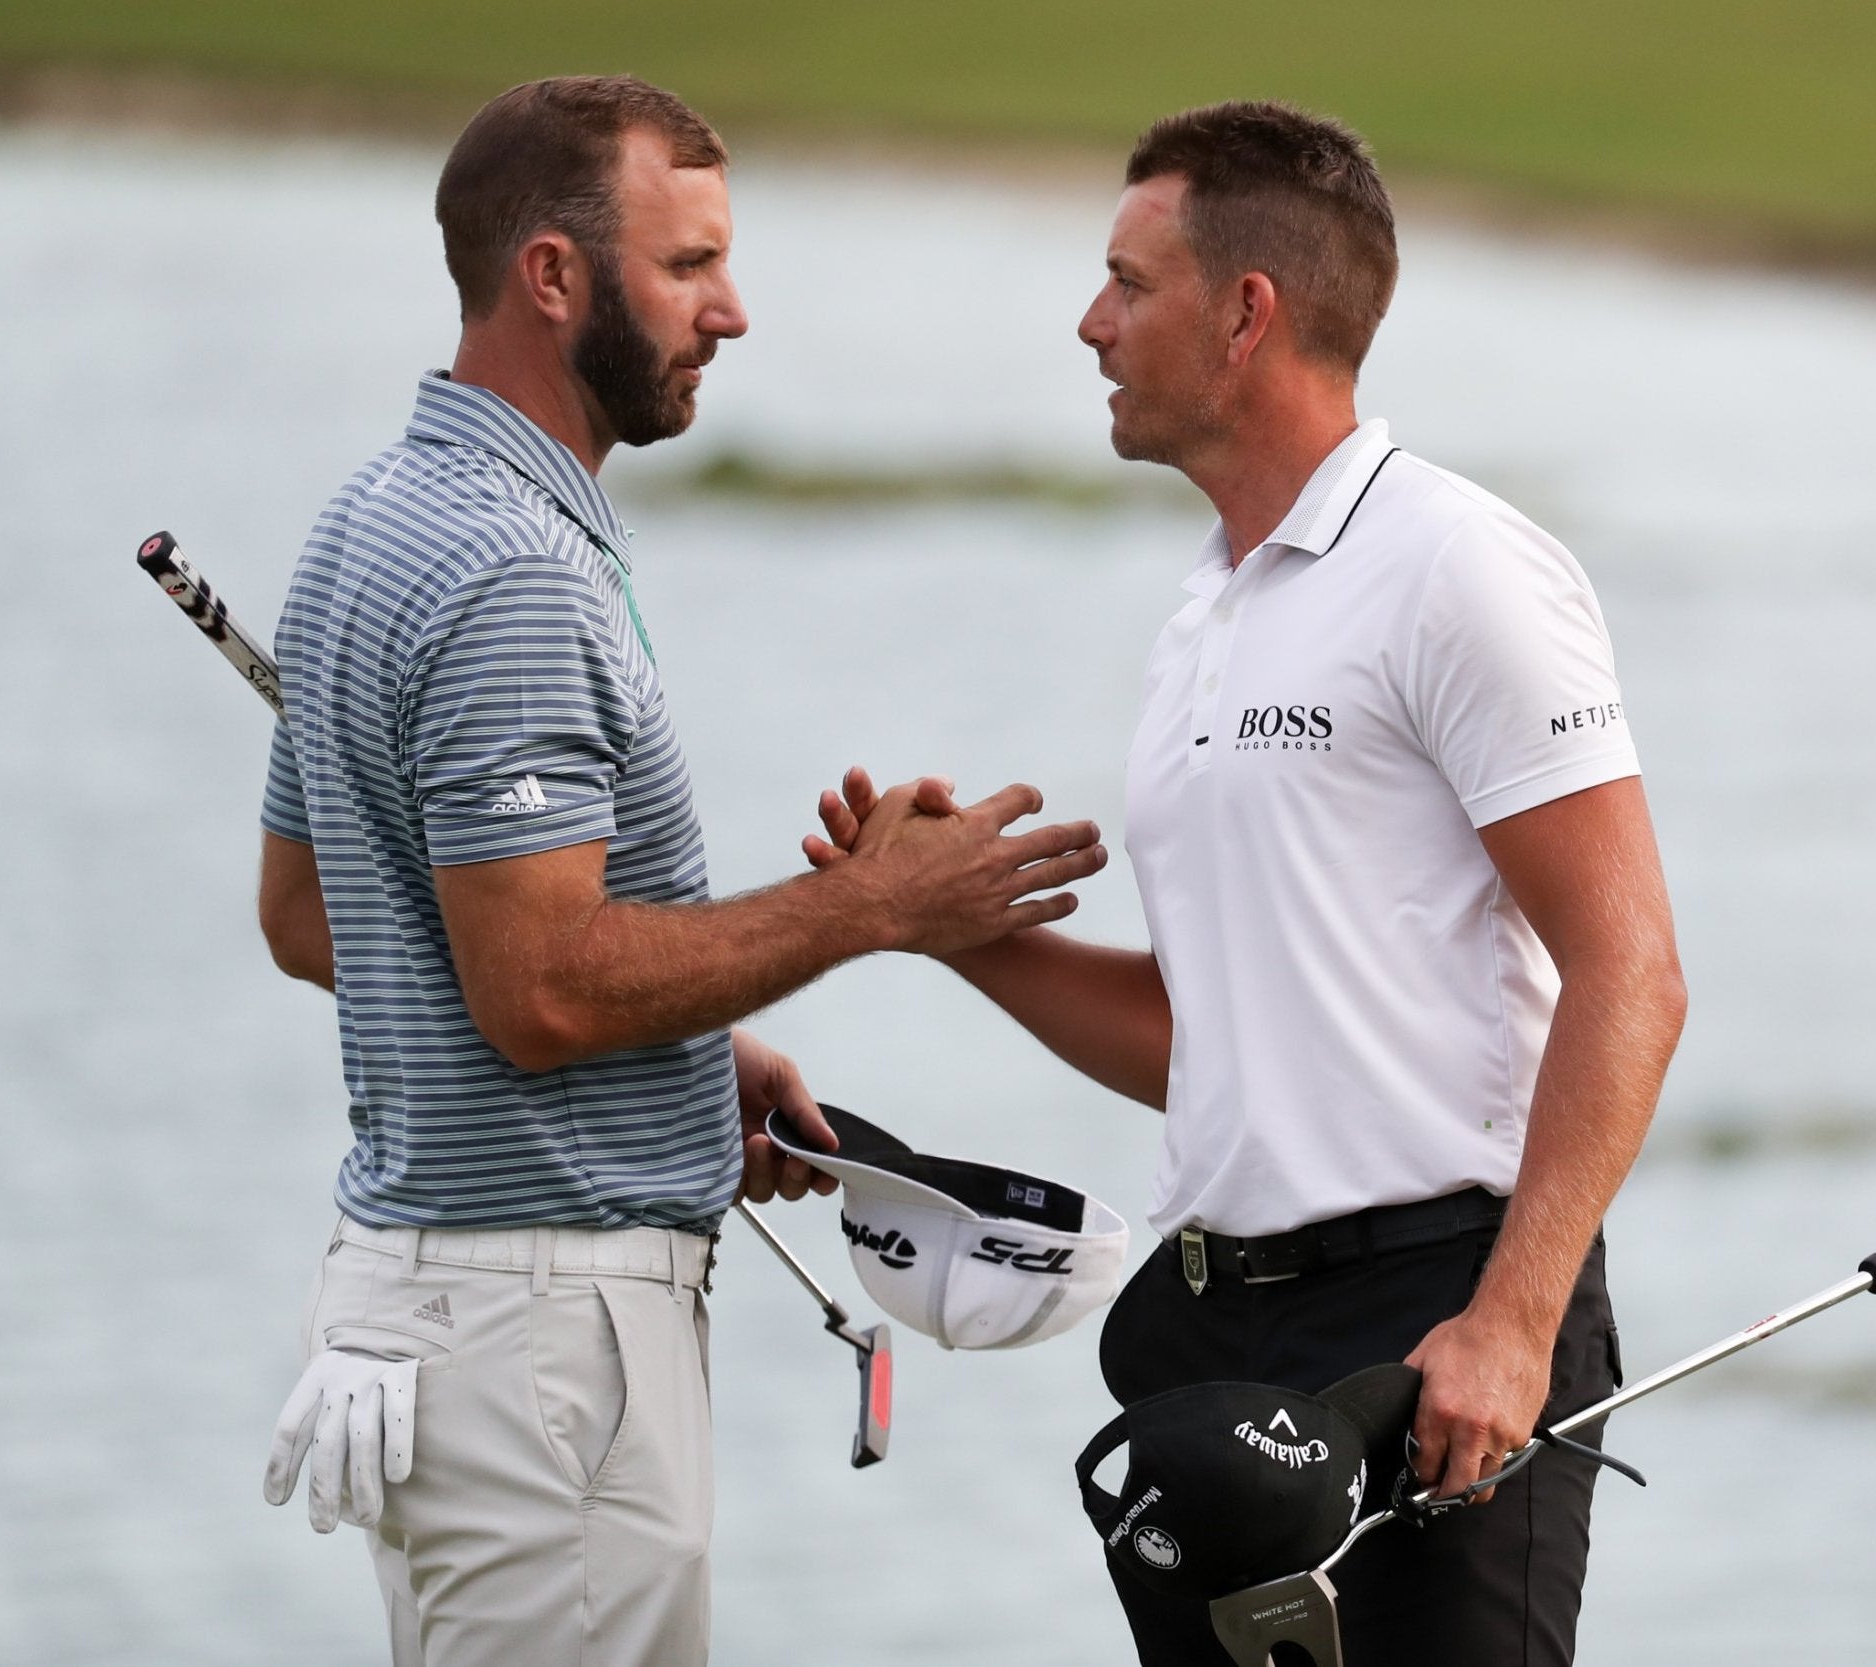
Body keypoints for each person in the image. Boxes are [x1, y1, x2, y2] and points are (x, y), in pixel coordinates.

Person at [806, 101, 1687, 1664]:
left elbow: (1631, 975)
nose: (1090, 325)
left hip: (1435, 1322)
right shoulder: (1208, 610)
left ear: (1244, 312)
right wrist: (941, 929)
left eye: (1127, 285)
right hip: (1216, 1340)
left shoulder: (1457, 568)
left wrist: (1514, 1324)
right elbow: (1210, 1041)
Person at [253, 75, 1107, 1667]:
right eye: (688, 264)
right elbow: (544, 992)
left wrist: (686, 1047)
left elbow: (320, 921)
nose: (731, 310)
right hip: (540, 1348)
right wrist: (870, 907)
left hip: (432, 1310)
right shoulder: (511, 568)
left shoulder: (373, 517)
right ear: (554, 277)